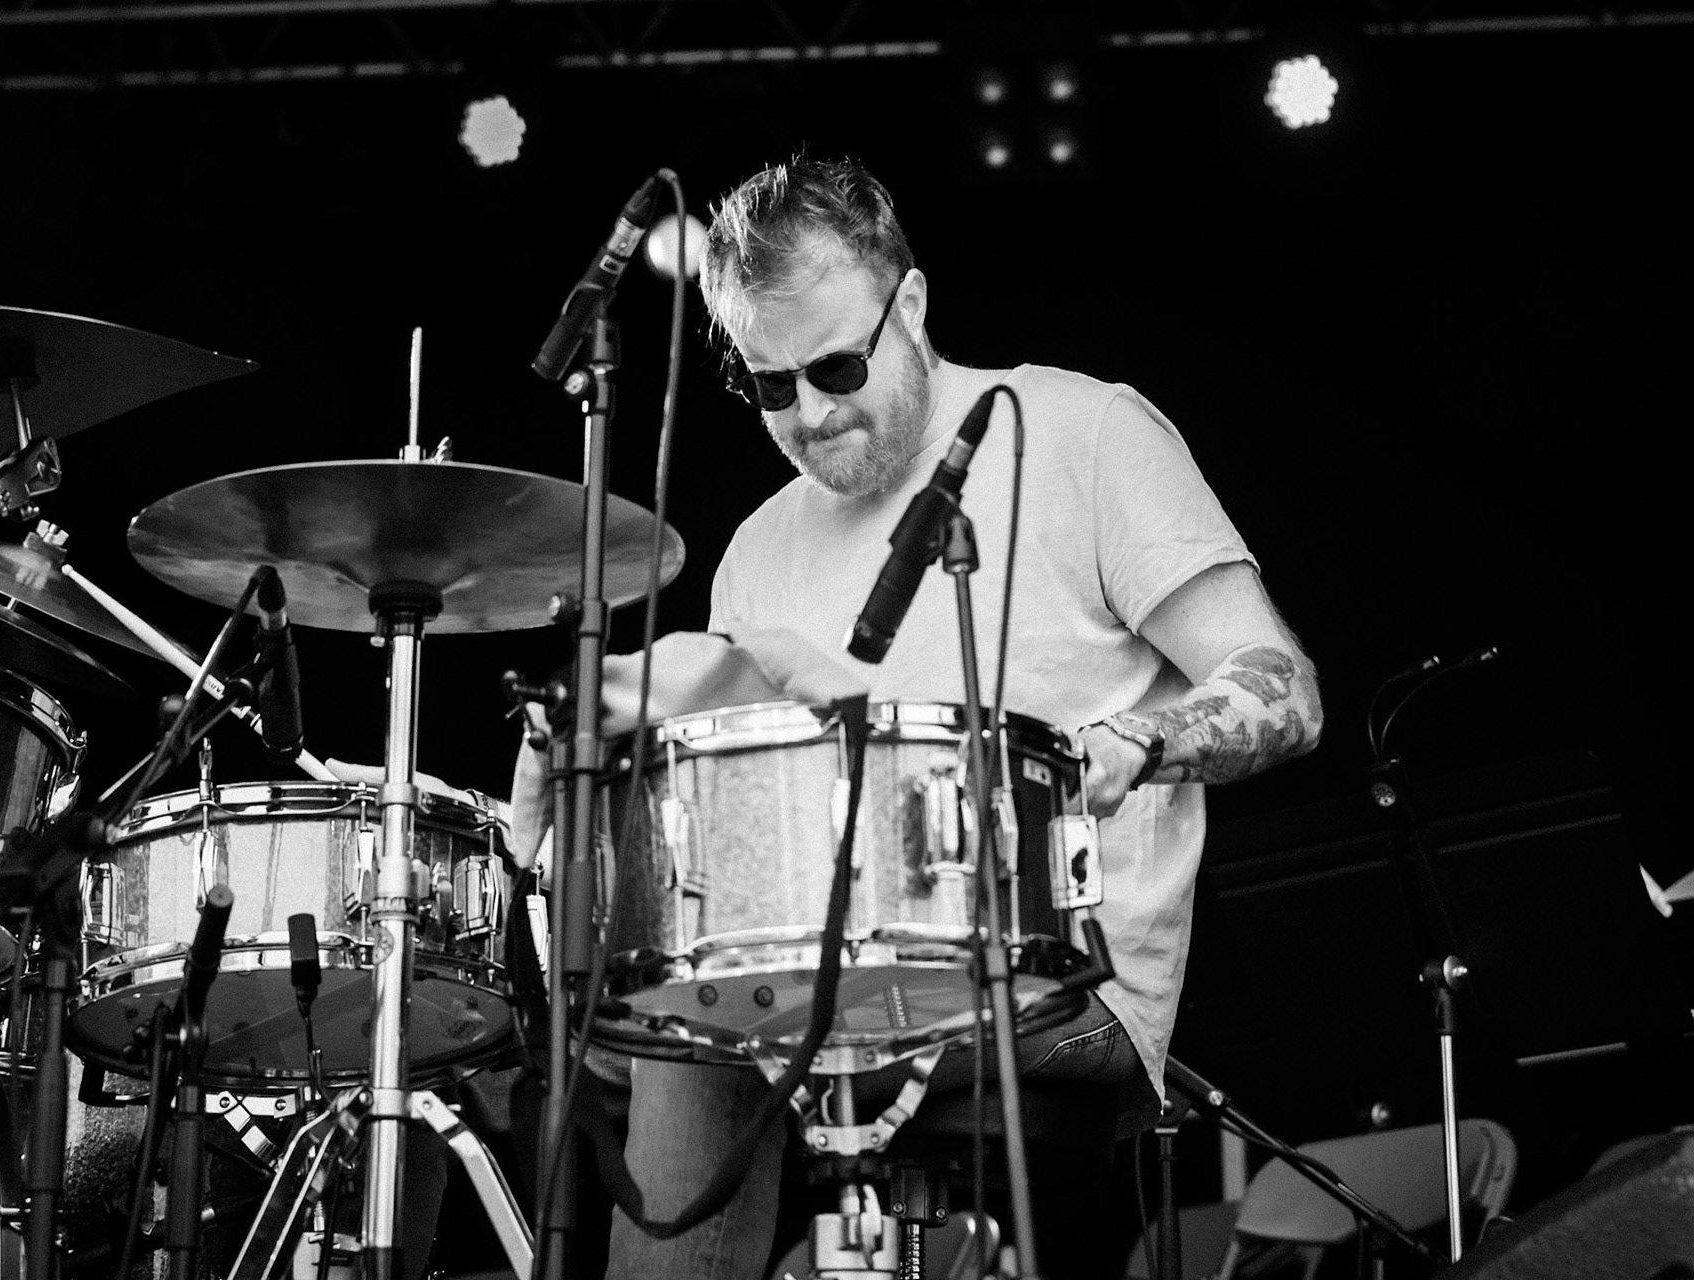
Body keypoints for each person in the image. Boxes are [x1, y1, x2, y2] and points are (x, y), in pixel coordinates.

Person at [524, 156, 1324, 1279]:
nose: (811, 410)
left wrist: (1143, 740)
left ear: (912, 303)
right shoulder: (757, 548)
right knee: (615, 1031)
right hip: (813, 981)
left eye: (837, 364)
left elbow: (1282, 683)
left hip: (1063, 979)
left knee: (698, 1051)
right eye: (769, 386)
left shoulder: (1083, 433)